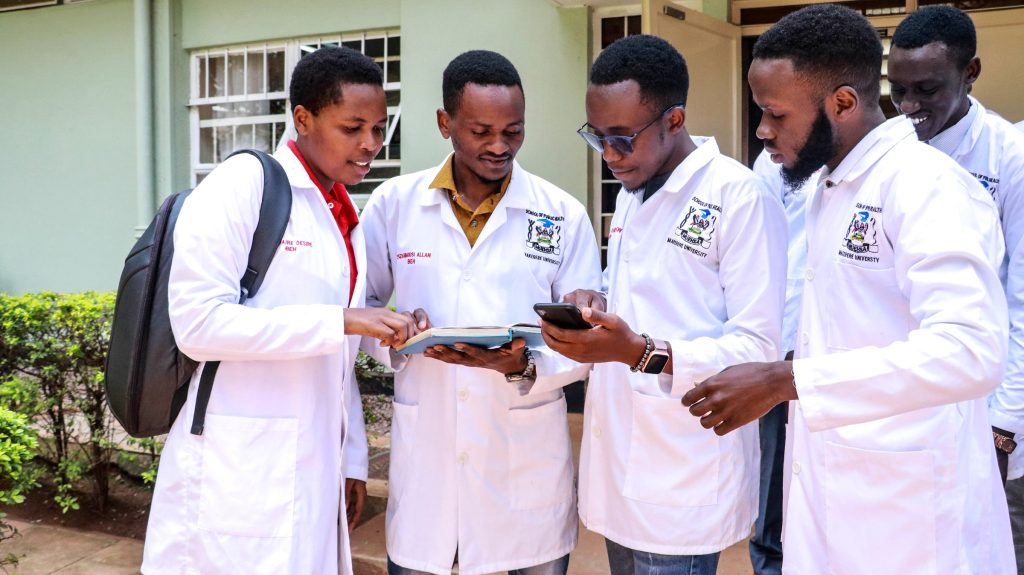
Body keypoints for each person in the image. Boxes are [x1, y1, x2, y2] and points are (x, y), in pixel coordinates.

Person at [682, 5, 1014, 573]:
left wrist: (789, 380)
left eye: (774, 114)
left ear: (842, 103)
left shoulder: (926, 186)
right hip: (841, 486)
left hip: (912, 515)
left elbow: (971, 351)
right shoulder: (830, 187)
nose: (762, 131)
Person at [142, 47, 419, 575]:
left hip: (314, 464)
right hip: (237, 465)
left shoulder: (341, 210)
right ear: (303, 119)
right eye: (353, 127)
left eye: (380, 128)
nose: (371, 145)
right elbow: (198, 325)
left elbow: (339, 359)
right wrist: (339, 319)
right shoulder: (244, 184)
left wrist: (353, 458)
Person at [540, 35, 787, 575]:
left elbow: (758, 347)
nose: (608, 156)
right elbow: (649, 294)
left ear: (674, 121)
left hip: (684, 472)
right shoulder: (633, 190)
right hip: (621, 468)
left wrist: (640, 352)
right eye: (597, 137)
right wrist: (594, 300)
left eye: (622, 139)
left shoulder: (739, 197)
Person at [359, 50, 601, 575]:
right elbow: (363, 309)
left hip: (524, 461)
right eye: (481, 131)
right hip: (428, 454)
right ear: (445, 123)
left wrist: (522, 366)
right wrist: (396, 337)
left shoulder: (560, 214)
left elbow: (587, 341)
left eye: (513, 131)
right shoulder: (392, 204)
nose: (499, 146)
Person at [748, 150, 820, 575]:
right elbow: (769, 248)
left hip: (839, 350)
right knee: (774, 475)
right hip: (784, 340)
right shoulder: (769, 163)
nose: (765, 129)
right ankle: (769, 563)